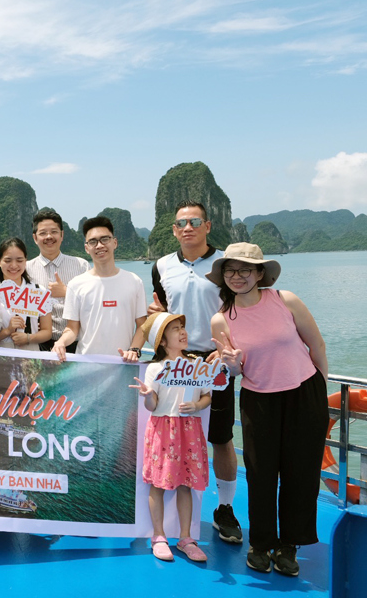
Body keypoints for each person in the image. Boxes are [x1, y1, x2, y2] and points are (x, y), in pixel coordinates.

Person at [208, 243, 328, 577]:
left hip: (304, 393)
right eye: (231, 270)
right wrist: (231, 365)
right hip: (259, 399)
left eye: (246, 269)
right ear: (223, 277)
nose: (238, 276)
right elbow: (233, 371)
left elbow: (316, 345)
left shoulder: (285, 300)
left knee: (301, 473)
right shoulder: (221, 319)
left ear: (260, 273)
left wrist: (319, 390)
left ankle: (289, 545)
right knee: (260, 475)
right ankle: (260, 544)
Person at [148, 200, 242, 545]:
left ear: (208, 225)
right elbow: (161, 311)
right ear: (173, 230)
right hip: (176, 363)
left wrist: (227, 352)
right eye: (181, 223)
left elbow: (239, 310)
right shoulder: (161, 265)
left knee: (220, 437)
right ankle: (171, 517)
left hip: (213, 362)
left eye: (194, 221)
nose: (187, 227)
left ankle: (226, 508)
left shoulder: (225, 265)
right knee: (173, 434)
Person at [130, 312, 212, 563]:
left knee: (185, 483)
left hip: (189, 430)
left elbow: (208, 396)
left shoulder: (198, 365)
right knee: (157, 483)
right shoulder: (155, 368)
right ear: (162, 341)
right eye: (175, 329)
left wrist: (197, 406)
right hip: (164, 430)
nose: (182, 332)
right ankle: (159, 536)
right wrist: (147, 395)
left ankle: (186, 538)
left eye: (182, 327)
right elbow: (152, 406)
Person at [54, 216, 146, 361]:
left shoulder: (134, 281)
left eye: (105, 239)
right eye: (93, 242)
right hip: (86, 366)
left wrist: (134, 350)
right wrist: (61, 342)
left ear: (114, 242)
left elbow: (142, 325)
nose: (99, 245)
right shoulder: (76, 284)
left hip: (124, 364)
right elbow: (72, 328)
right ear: (86, 248)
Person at [25, 210, 89, 352]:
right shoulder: (25, 269)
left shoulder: (81, 265)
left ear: (62, 235)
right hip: (39, 344)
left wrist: (67, 292)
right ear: (35, 238)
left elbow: (94, 302)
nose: (49, 237)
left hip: (77, 343)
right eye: (43, 233)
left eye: (54, 232)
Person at [0, 238, 52, 351]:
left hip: (31, 356)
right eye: (7, 260)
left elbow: (47, 332)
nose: (14, 265)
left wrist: (28, 337)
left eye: (19, 260)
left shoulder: (39, 291)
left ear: (25, 261)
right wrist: (7, 331)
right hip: (0, 358)